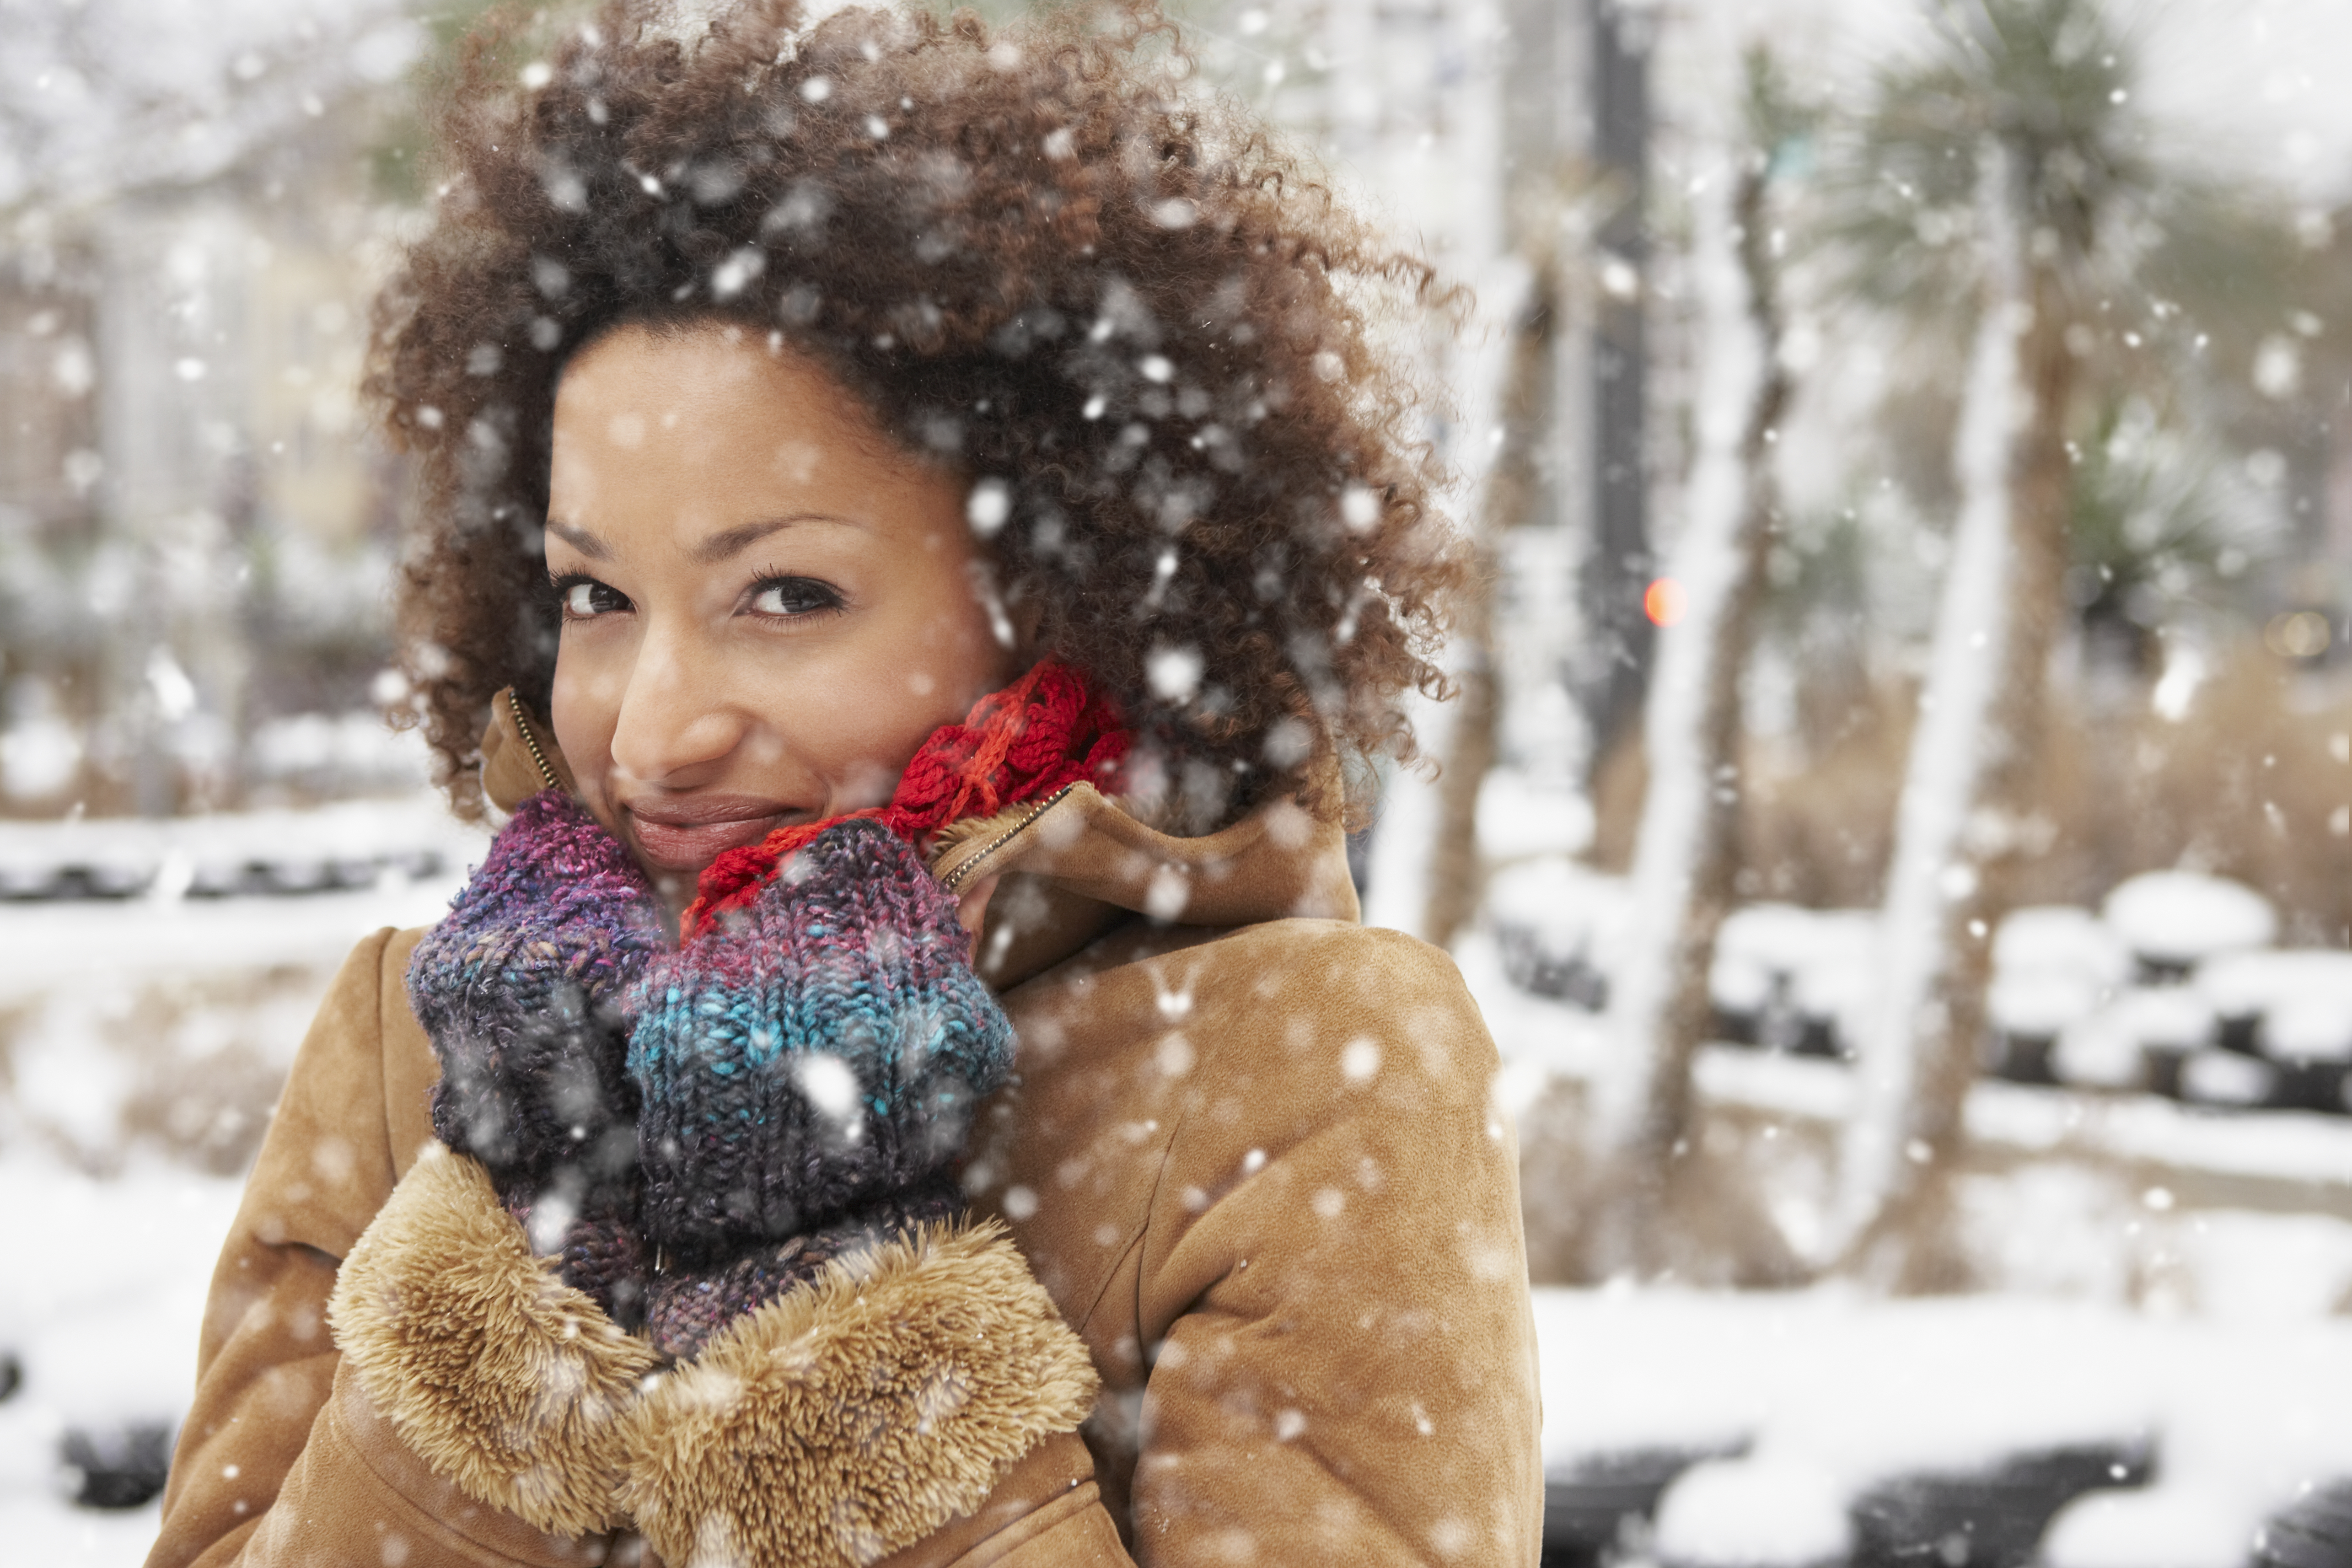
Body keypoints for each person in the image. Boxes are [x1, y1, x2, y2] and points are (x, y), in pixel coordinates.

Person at [147, 0, 1542, 1563]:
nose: (654, 729)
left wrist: (833, 1311)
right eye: (596, 597)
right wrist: (515, 1258)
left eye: (788, 596)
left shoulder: (1309, 1078)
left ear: (1057, 596)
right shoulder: (419, 1047)